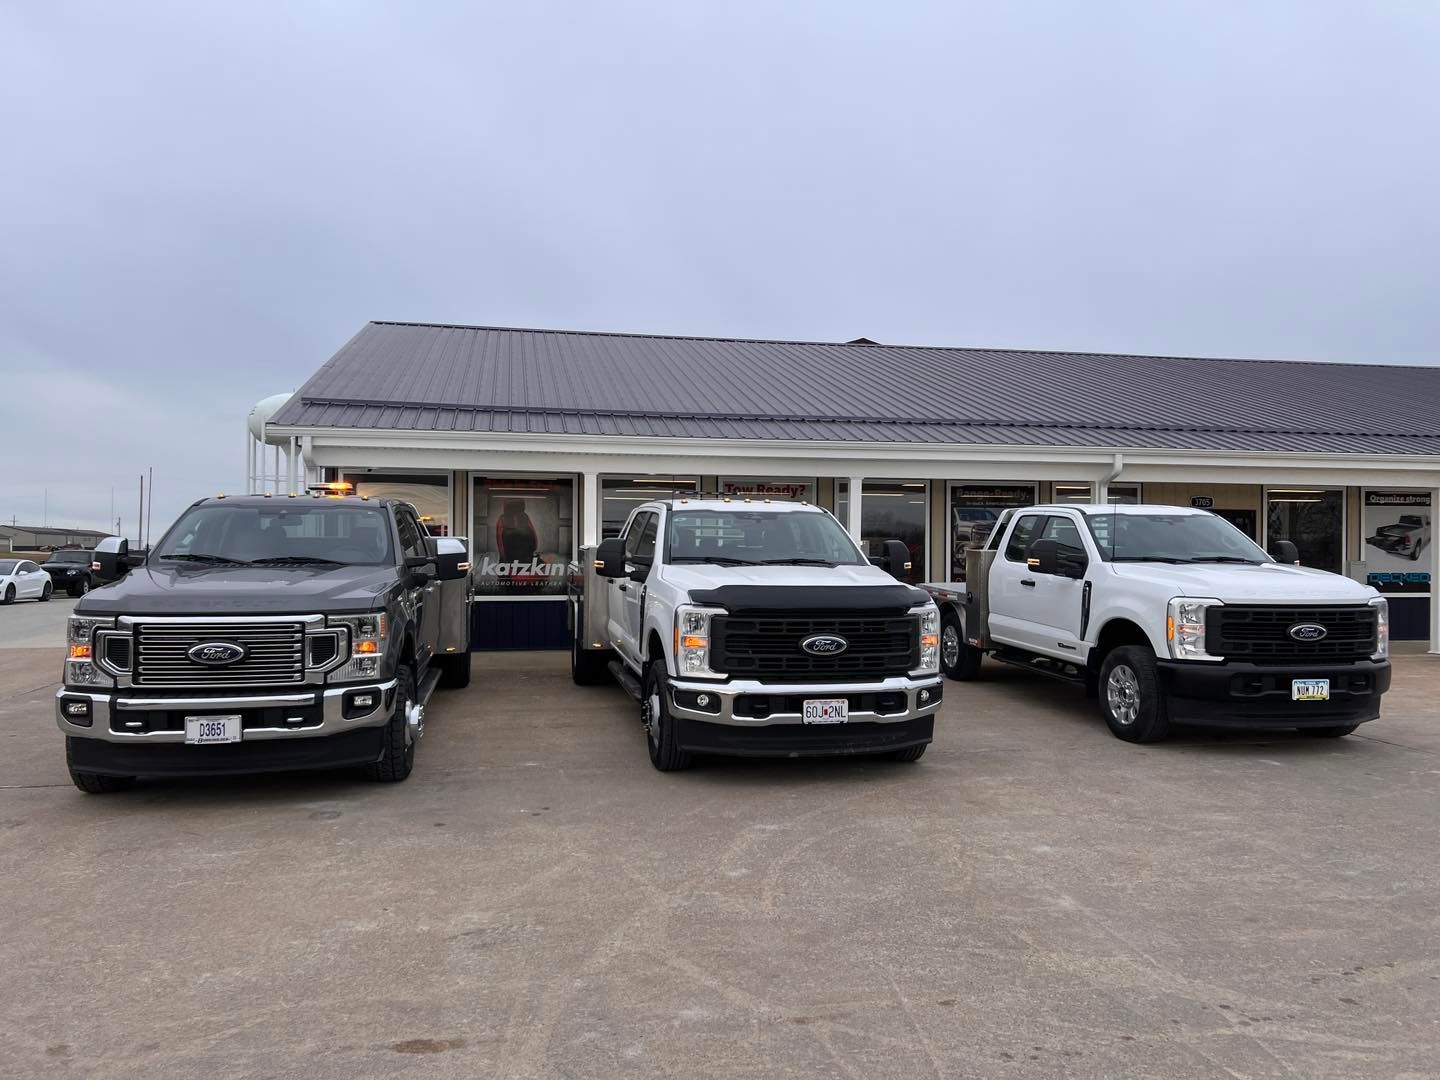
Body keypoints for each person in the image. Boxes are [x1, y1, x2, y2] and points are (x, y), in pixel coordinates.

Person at [495, 499, 538, 566]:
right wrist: (503, 556)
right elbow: (499, 539)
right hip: (513, 556)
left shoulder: (525, 517)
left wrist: (534, 548)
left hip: (525, 555)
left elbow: (533, 534)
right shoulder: (502, 519)